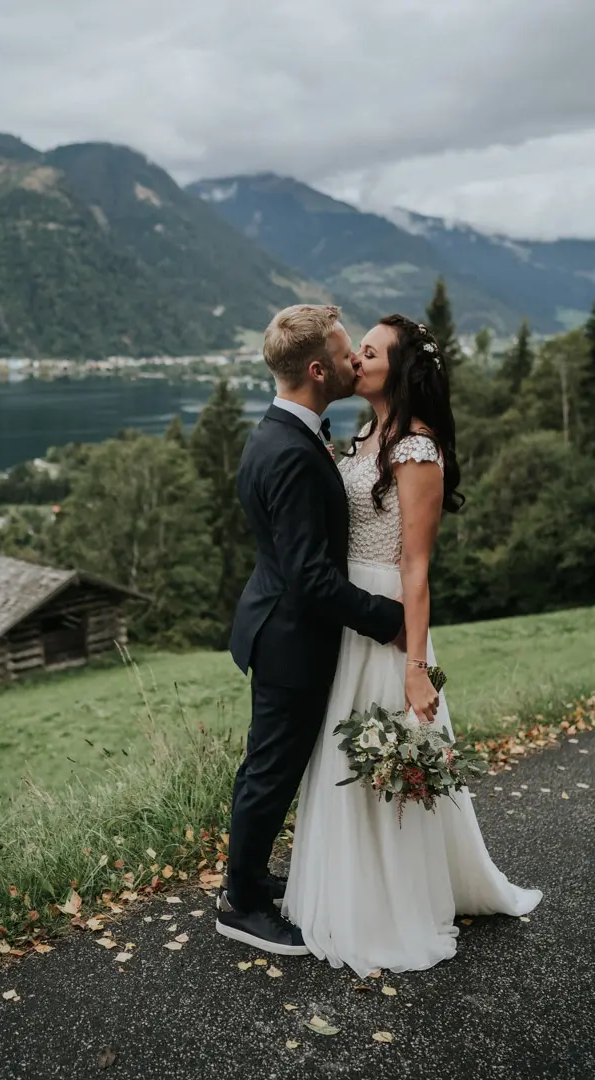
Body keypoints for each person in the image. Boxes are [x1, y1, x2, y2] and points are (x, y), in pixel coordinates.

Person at [281, 313, 542, 974]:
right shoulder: (368, 432)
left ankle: (393, 905)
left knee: (388, 758)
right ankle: (350, 893)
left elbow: (417, 568)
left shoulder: (417, 448)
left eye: (368, 352)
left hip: (391, 620)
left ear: (397, 370)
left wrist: (418, 667)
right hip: (352, 615)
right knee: (347, 756)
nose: (355, 360)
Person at [218, 304, 407, 955]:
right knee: (271, 768)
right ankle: (240, 902)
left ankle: (248, 878)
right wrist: (390, 619)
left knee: (270, 763)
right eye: (349, 351)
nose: (359, 360)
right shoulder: (293, 453)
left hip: (277, 625)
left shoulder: (279, 431)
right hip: (291, 636)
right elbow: (310, 580)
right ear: (319, 369)